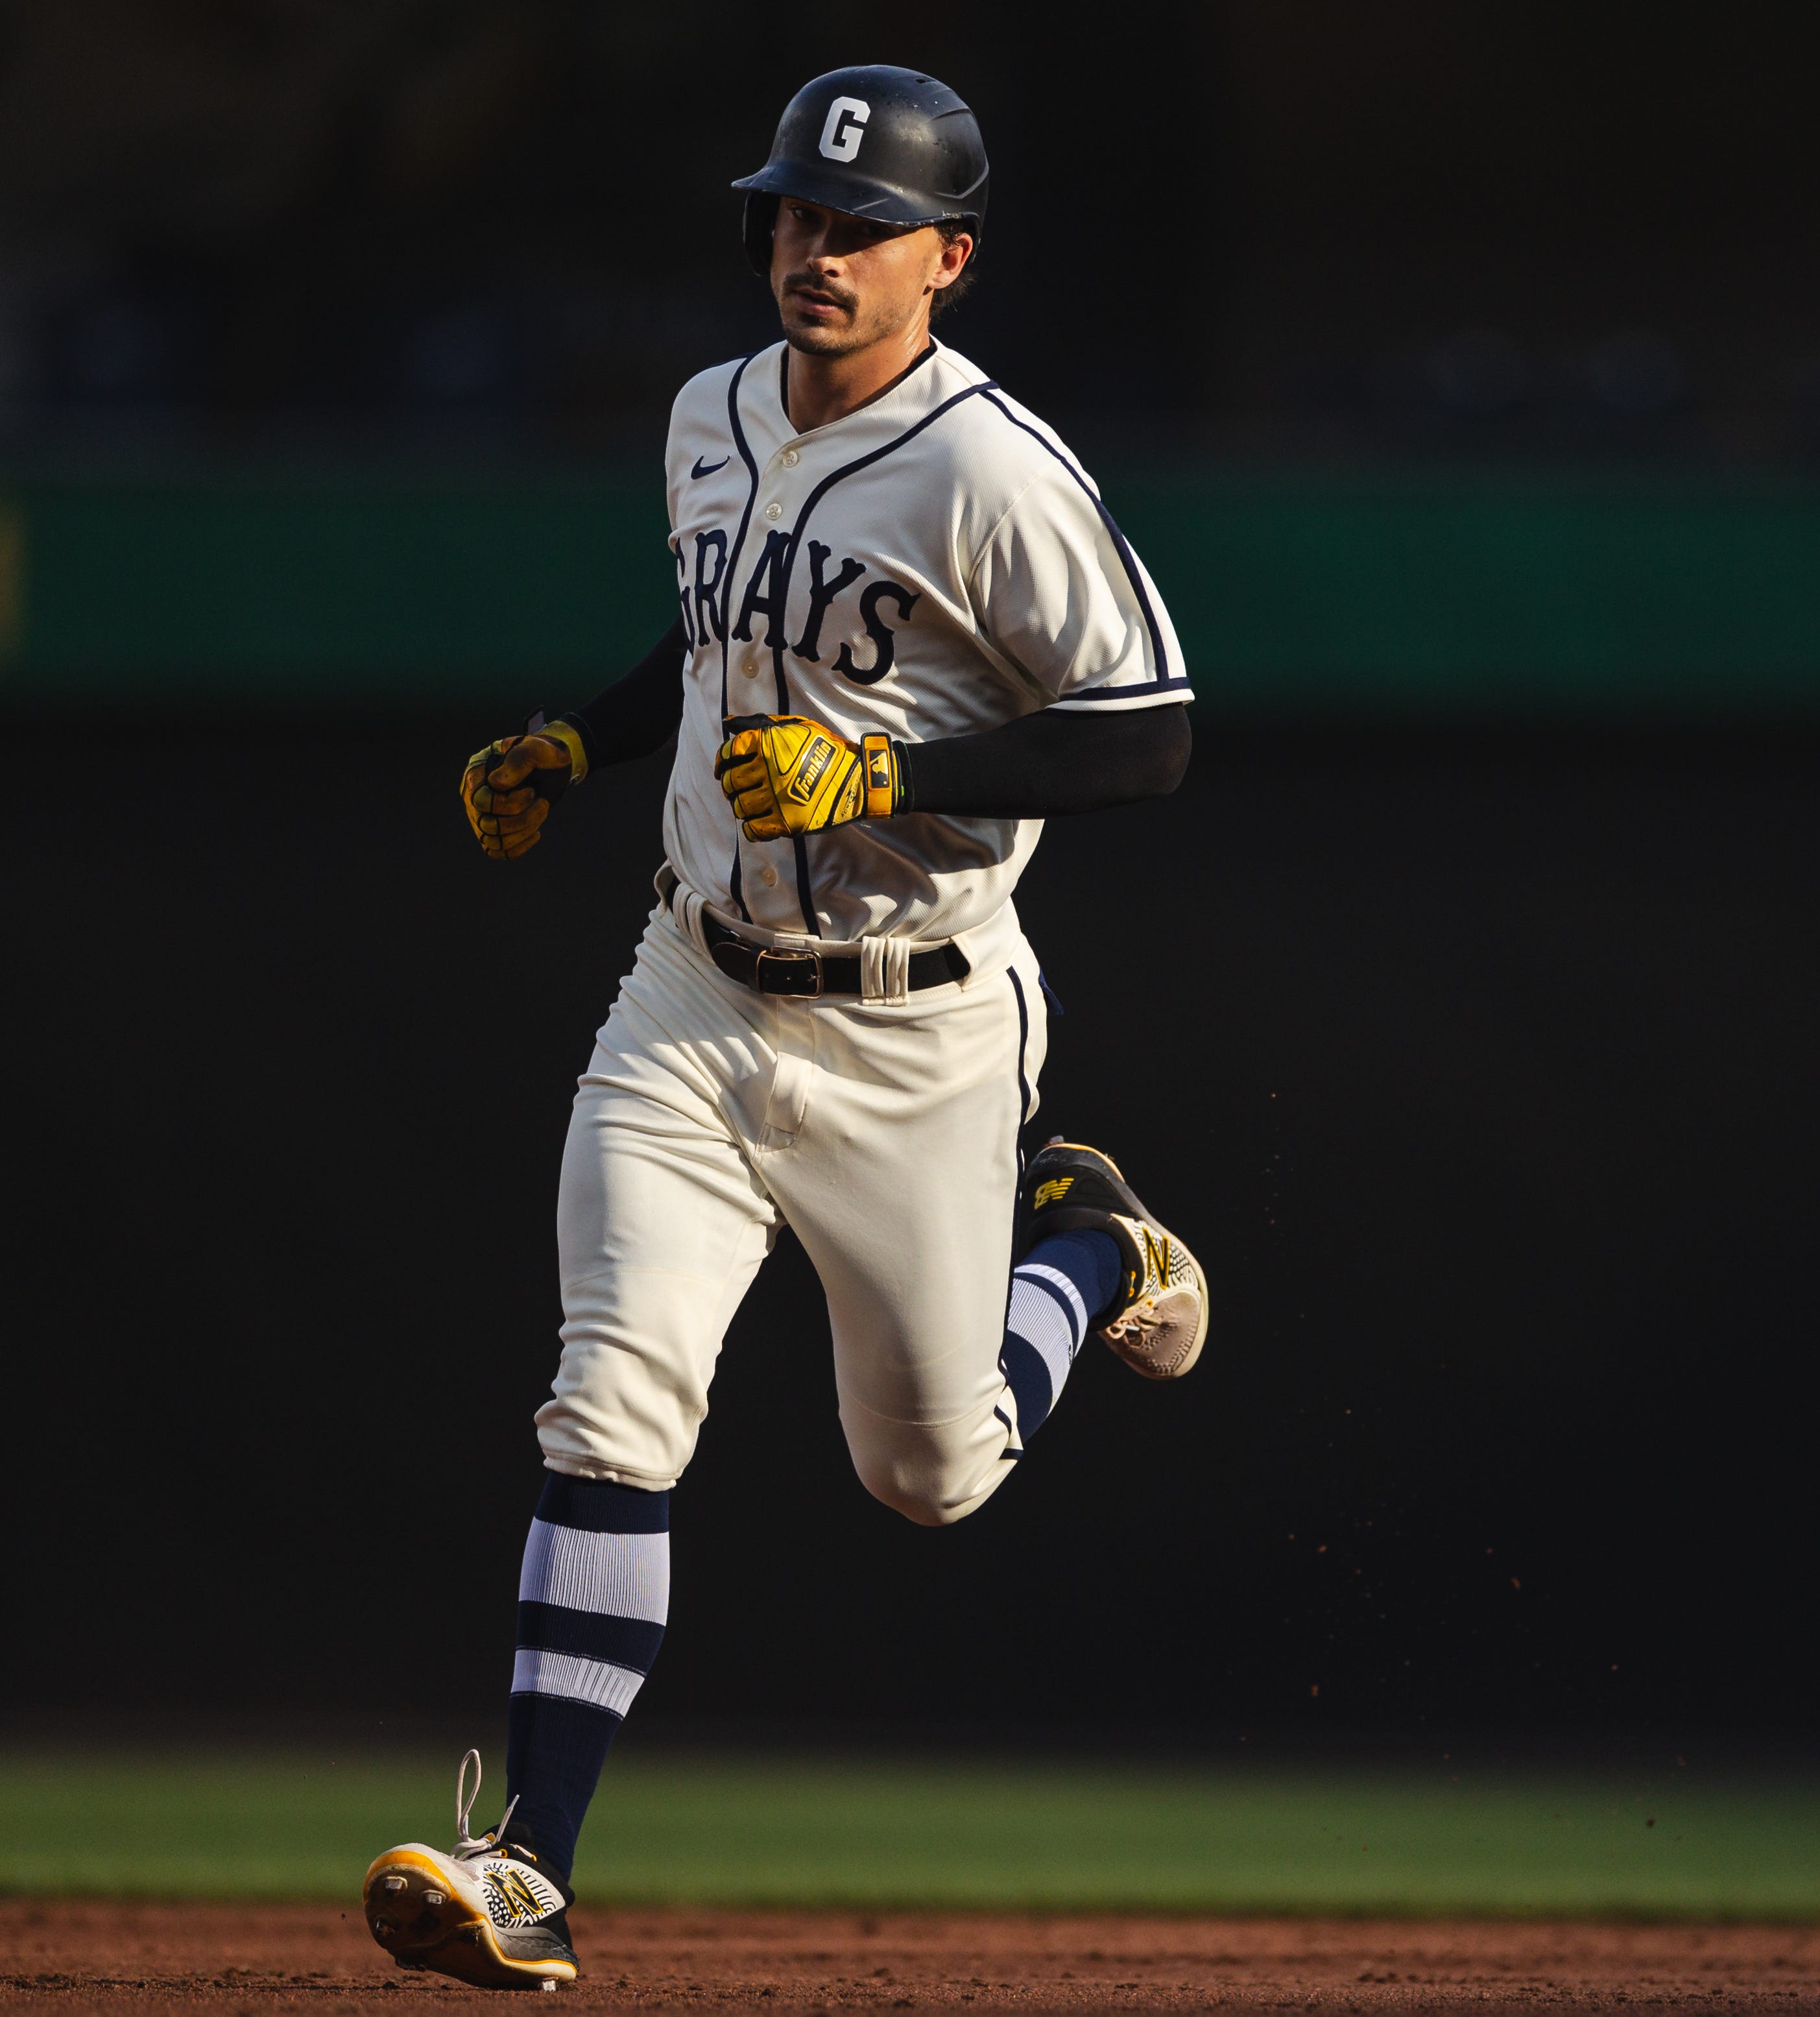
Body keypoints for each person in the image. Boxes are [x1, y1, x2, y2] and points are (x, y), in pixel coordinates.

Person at [356, 66, 1208, 1990]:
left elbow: (1151, 730)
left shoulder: (991, 468)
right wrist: (581, 736)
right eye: (793, 218)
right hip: (693, 988)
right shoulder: (711, 412)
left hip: (915, 1033)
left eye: (859, 227)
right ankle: (532, 1875)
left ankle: (1096, 1242)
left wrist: (883, 759)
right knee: (610, 1395)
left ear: (950, 260)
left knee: (936, 1469)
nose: (812, 253)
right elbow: (720, 628)